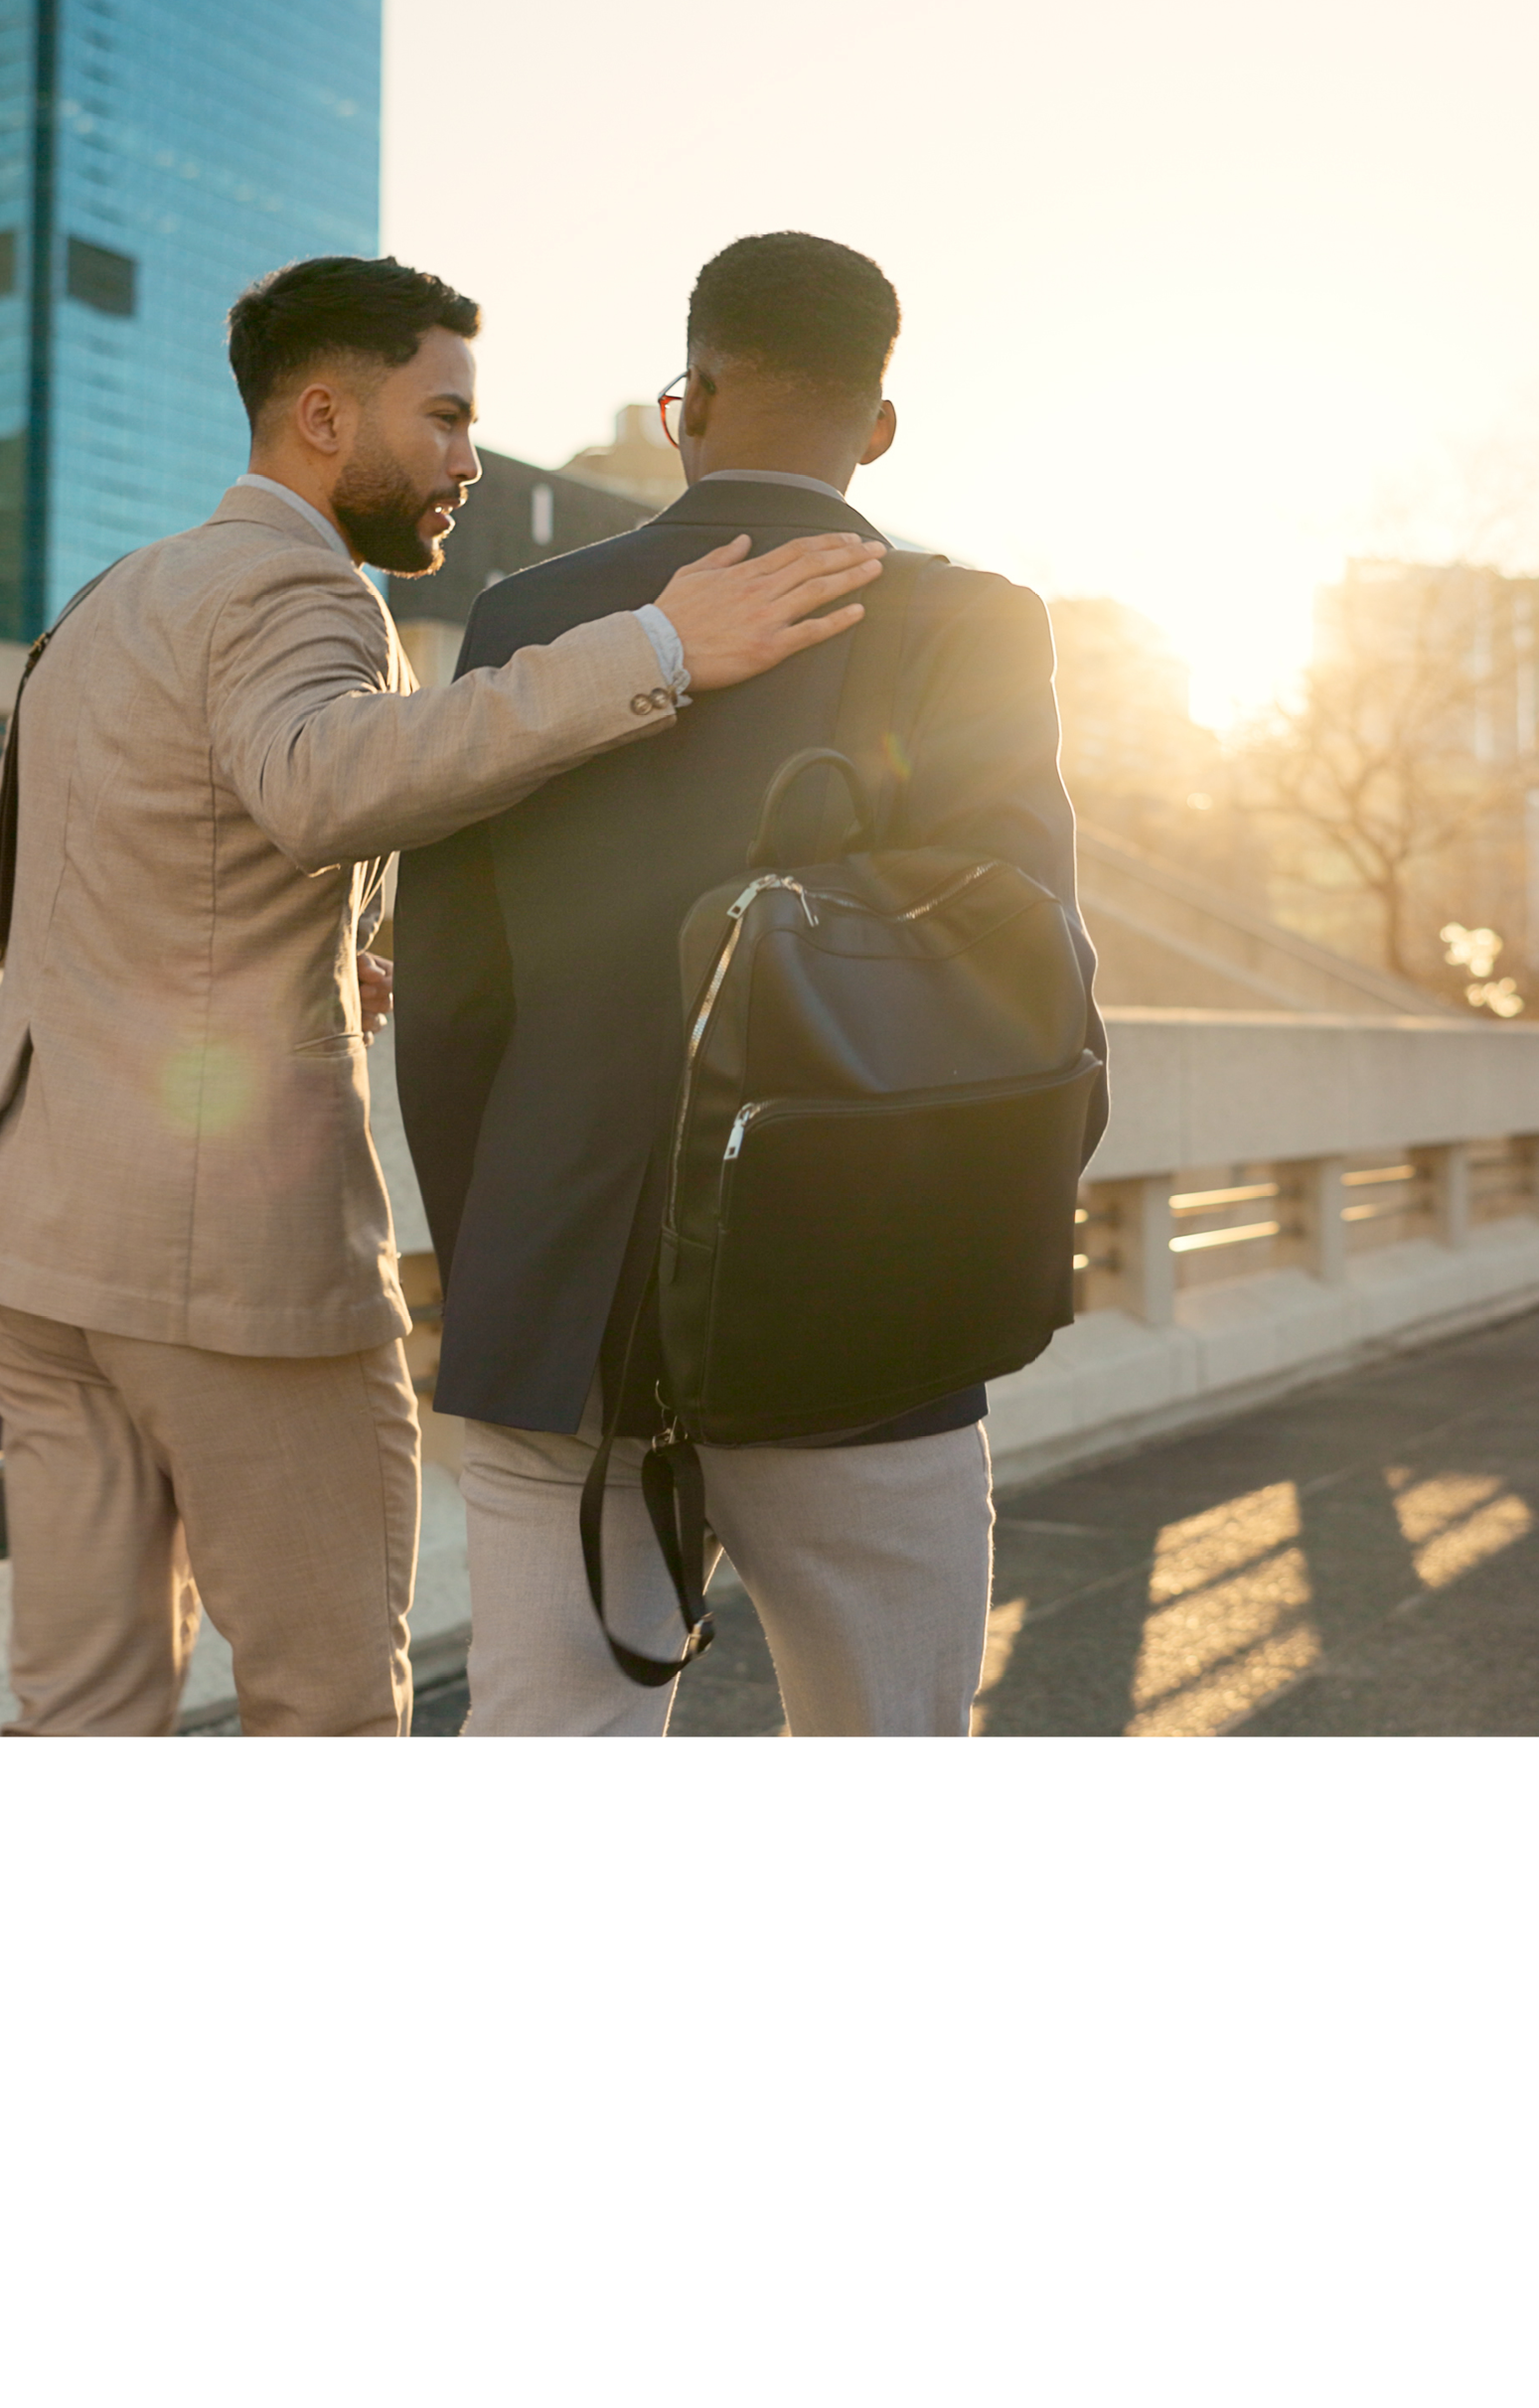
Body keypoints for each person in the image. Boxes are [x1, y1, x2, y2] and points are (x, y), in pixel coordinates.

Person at [0, 254, 887, 1736]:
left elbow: (128, 855)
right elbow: (314, 783)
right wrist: (661, 648)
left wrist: (324, 945)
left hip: (31, 1251)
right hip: (222, 1273)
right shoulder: (299, 585)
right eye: (442, 419)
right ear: (319, 416)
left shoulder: (118, 594)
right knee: (334, 1711)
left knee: (79, 1717)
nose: (466, 466)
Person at [396, 231, 1106, 1738]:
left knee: (546, 1744)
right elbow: (1022, 962)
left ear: (691, 400)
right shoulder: (969, 623)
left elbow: (455, 1001)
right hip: (862, 1298)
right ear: (880, 427)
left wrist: (500, 1257)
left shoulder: (530, 620)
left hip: (566, 1305)